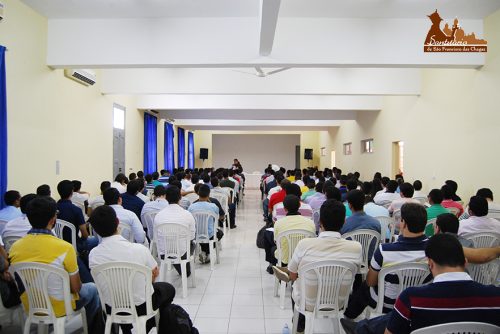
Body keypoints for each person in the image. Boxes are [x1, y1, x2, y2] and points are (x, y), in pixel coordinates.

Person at [343, 234, 500, 334]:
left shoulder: (412, 299)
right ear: (465, 262)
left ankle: (360, 328)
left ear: (430, 264)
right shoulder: (495, 297)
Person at [9, 197, 101, 331]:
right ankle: (93, 329)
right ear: (53, 220)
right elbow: (76, 288)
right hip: (61, 306)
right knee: (92, 288)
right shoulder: (64, 247)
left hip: (31, 305)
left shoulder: (15, 247)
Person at [276, 199, 362, 332]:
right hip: (339, 302)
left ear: (320, 222)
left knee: (296, 284)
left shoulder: (305, 245)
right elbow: (355, 274)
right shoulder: (356, 248)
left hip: (308, 303)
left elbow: (292, 275)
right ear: (344, 221)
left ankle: (299, 326)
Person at [88, 206, 176, 334]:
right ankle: (148, 325)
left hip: (111, 307)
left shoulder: (93, 254)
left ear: (95, 230)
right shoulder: (139, 249)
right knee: (168, 289)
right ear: (117, 222)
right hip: (141, 306)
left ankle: (126, 328)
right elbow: (154, 273)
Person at [343, 203, 429, 320]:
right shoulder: (434, 249)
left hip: (386, 303)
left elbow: (371, 282)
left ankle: (348, 317)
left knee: (364, 287)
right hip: (417, 302)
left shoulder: (385, 250)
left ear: (403, 223)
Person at [264, 195, 316, 273]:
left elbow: (276, 242)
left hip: (285, 258)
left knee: (273, 249)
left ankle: (277, 270)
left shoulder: (279, 223)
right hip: (304, 258)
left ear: (284, 208)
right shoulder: (310, 223)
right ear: (299, 205)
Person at [154, 186, 196, 277]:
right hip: (182, 253)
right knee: (192, 243)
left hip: (163, 253)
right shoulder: (187, 214)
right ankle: (185, 270)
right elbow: (192, 236)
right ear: (180, 197)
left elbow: (155, 236)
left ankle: (182, 269)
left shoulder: (158, 215)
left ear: (165, 197)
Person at [56, 180, 98, 253]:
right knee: (97, 240)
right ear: (72, 192)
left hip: (57, 244)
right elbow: (85, 234)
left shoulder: (53, 208)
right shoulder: (76, 210)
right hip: (74, 245)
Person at [188, 184, 224, 263]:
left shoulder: (192, 206)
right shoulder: (213, 206)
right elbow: (218, 217)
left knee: (203, 235)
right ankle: (206, 252)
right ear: (208, 194)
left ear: (198, 194)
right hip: (210, 234)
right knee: (220, 233)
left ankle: (205, 252)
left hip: (196, 234)